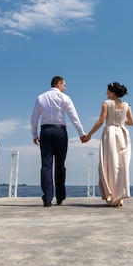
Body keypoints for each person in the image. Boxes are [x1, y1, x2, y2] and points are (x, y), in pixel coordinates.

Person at [31, 76, 87, 207]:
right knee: (60, 164)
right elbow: (74, 117)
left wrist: (34, 133)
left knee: (46, 164)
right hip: (60, 131)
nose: (65, 88)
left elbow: (34, 117)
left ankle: (47, 198)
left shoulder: (40, 97)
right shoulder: (65, 98)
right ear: (58, 84)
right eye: (64, 85)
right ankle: (60, 196)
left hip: (45, 131)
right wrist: (81, 133)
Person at [82, 82, 133, 207]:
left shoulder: (106, 103)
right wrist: (121, 120)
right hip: (123, 133)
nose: (106, 93)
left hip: (110, 133)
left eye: (107, 91)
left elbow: (101, 120)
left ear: (113, 92)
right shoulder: (127, 106)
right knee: (122, 165)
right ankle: (119, 197)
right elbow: (132, 122)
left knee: (109, 165)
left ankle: (112, 197)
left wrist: (89, 135)